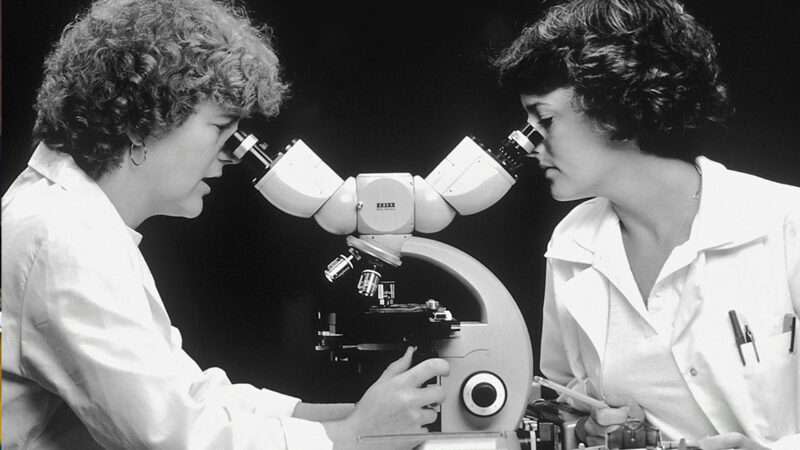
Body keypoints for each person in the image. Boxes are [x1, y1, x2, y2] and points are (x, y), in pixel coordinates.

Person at [1, 0, 449, 448]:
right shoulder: (64, 239)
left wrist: (339, 417)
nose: (231, 154)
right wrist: (349, 438)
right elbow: (174, 438)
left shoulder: (76, 220)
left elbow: (183, 394)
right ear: (142, 122)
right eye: (221, 128)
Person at [493, 1, 799, 449]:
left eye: (544, 119)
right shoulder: (572, 246)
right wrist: (590, 430)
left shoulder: (784, 221)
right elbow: (566, 403)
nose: (530, 145)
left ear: (613, 110)